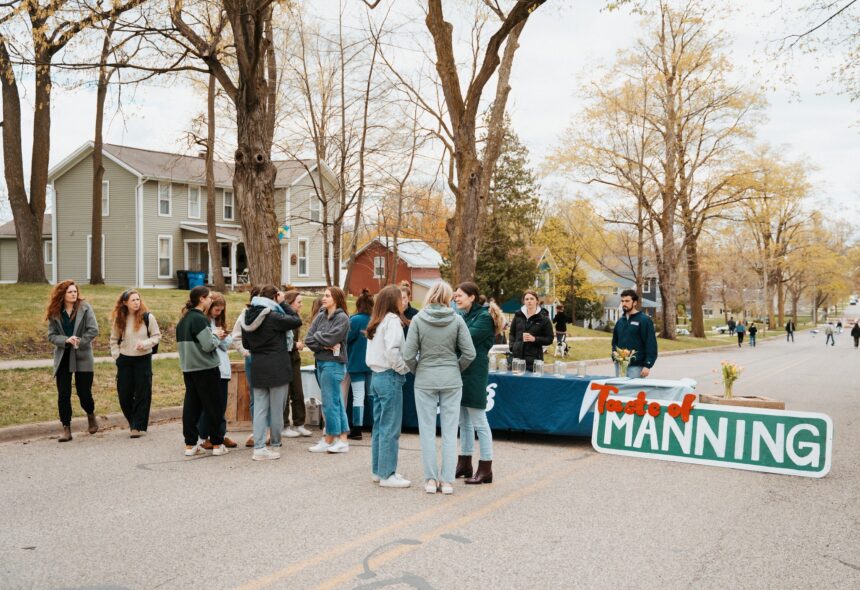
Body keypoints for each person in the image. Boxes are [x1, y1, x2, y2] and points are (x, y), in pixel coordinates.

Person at [404, 281, 476, 496]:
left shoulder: (417, 320)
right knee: (450, 430)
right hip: (451, 379)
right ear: (447, 297)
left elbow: (408, 356)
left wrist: (420, 370)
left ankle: (430, 479)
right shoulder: (457, 320)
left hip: (425, 378)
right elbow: (469, 353)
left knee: (426, 430)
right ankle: (447, 481)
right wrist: (455, 367)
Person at [240, 285, 303, 460]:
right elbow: (296, 320)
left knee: (260, 408)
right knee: (277, 409)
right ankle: (274, 444)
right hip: (278, 367)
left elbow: (246, 345)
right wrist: (283, 303)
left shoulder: (247, 315)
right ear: (275, 296)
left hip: (258, 366)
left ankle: (259, 447)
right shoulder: (273, 316)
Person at [365, 285, 412, 488]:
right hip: (389, 375)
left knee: (379, 426)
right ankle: (387, 474)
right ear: (392, 301)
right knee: (390, 428)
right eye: (400, 298)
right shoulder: (392, 321)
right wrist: (404, 368)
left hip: (376, 376)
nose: (403, 301)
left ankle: (378, 470)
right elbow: (392, 352)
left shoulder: (377, 322)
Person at [176, 286, 229, 457]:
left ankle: (190, 444)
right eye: (209, 298)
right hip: (205, 367)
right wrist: (217, 336)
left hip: (189, 367)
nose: (211, 300)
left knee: (192, 407)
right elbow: (207, 345)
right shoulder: (200, 319)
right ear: (201, 299)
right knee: (214, 406)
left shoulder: (183, 320)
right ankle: (217, 443)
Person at [46, 280, 99, 442]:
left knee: (84, 393)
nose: (74, 294)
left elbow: (93, 330)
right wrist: (66, 340)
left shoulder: (85, 307)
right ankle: (66, 429)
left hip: (82, 354)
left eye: (75, 291)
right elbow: (51, 336)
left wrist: (79, 341)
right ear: (63, 294)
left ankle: (90, 414)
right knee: (64, 394)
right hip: (63, 356)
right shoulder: (55, 312)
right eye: (70, 292)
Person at [454, 282, 495, 486]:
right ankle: (464, 463)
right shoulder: (465, 316)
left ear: (472, 297)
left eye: (460, 295)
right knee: (464, 421)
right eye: (455, 295)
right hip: (461, 372)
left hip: (475, 373)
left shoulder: (484, 317)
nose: (456, 298)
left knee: (479, 421)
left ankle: (486, 467)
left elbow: (465, 339)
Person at [305, 286, 351, 454]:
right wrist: (325, 344)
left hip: (334, 363)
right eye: (323, 295)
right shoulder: (320, 316)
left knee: (330, 403)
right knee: (336, 402)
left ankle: (330, 439)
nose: (323, 298)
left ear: (336, 299)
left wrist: (320, 337)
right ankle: (343, 440)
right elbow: (308, 339)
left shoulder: (343, 319)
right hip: (321, 362)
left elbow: (334, 337)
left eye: (327, 296)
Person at [109, 289, 161, 438]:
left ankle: (137, 426)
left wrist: (145, 344)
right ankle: (133, 421)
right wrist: (116, 356)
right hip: (124, 359)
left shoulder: (147, 317)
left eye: (138, 299)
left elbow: (157, 336)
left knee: (142, 393)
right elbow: (113, 340)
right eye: (133, 300)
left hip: (143, 359)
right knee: (124, 393)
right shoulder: (120, 319)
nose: (137, 302)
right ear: (125, 303)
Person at [197, 293, 237, 450]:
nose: (218, 313)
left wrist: (221, 338)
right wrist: (217, 337)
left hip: (223, 368)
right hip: (209, 367)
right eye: (216, 309)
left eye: (221, 310)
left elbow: (227, 343)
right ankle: (205, 437)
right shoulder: (203, 321)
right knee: (208, 406)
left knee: (221, 405)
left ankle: (220, 434)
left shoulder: (219, 322)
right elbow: (208, 343)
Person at [231, 286, 268, 448]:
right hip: (253, 359)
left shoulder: (271, 313)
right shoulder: (245, 314)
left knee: (272, 395)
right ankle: (257, 431)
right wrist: (244, 352)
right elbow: (236, 335)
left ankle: (270, 430)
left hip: (270, 359)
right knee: (255, 396)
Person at [281, 290, 313, 438]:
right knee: (285, 394)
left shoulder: (296, 318)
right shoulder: (284, 318)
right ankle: (284, 426)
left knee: (298, 392)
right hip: (284, 358)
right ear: (290, 302)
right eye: (299, 302)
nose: (301, 305)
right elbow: (281, 340)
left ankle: (299, 424)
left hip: (295, 358)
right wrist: (295, 344)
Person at [345, 290, 373, 440]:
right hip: (372, 363)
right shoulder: (375, 319)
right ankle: (376, 426)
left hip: (356, 363)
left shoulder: (354, 320)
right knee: (372, 396)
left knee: (358, 397)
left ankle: (357, 429)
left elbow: (347, 339)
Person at [611, 289, 658, 377]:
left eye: (627, 301)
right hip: (619, 366)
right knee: (619, 390)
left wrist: (648, 365)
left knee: (634, 391)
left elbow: (651, 344)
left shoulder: (644, 320)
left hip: (636, 367)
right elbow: (614, 342)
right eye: (622, 301)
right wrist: (614, 356)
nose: (624, 303)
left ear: (635, 302)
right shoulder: (620, 321)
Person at [508, 290, 554, 371]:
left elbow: (549, 339)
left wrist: (534, 339)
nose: (529, 301)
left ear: (537, 301)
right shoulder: (518, 316)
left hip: (534, 360)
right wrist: (512, 347)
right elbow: (512, 333)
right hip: (516, 358)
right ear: (523, 301)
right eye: (527, 299)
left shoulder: (544, 319)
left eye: (532, 299)